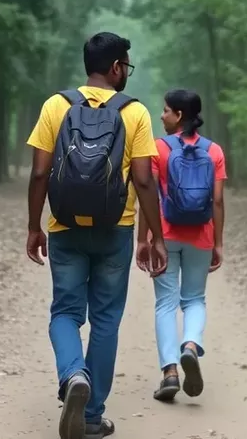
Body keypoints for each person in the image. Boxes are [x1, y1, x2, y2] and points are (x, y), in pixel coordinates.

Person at [26, 31, 168, 439]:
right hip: (115, 229)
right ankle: (91, 417)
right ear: (117, 67)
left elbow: (40, 172)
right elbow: (144, 181)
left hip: (65, 227)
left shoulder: (56, 105)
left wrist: (34, 226)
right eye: (127, 66)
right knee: (106, 320)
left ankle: (74, 375)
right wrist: (156, 237)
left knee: (65, 313)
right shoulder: (134, 112)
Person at [139, 89, 226, 402]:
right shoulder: (214, 151)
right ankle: (190, 344)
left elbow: (148, 194)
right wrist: (218, 243)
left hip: (165, 235)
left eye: (166, 110)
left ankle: (170, 373)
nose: (161, 115)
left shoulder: (159, 148)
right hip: (201, 236)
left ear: (178, 115)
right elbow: (217, 201)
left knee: (165, 303)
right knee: (194, 299)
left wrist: (143, 239)